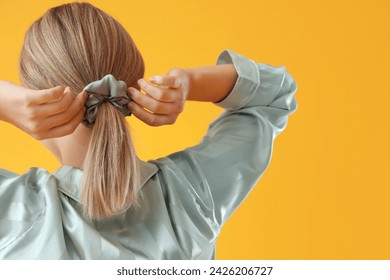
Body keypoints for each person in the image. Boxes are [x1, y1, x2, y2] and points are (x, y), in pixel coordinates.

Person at [0, 2, 297, 259]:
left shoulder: (14, 212)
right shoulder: (189, 195)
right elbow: (274, 95)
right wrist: (189, 82)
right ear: (131, 85)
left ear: (31, 98)